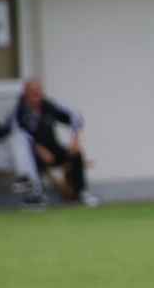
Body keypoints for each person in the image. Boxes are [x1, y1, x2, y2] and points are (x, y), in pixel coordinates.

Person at [13, 78, 100, 206]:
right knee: (31, 160)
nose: (35, 94)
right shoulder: (18, 111)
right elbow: (18, 135)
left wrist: (75, 138)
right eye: (31, 91)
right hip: (32, 151)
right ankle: (36, 195)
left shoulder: (49, 106)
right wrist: (38, 149)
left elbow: (75, 115)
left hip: (52, 148)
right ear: (25, 93)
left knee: (75, 154)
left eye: (37, 90)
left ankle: (81, 193)